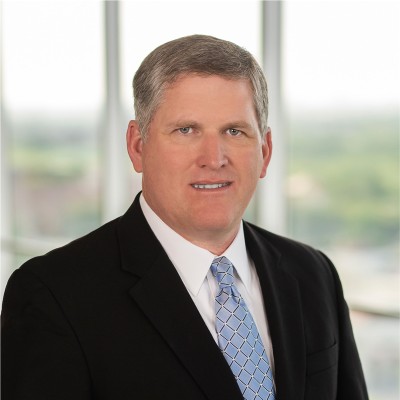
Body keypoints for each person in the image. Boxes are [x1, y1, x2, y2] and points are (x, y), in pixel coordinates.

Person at [1, 34, 368, 400]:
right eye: (186, 130)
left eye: (234, 131)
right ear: (138, 146)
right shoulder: (54, 296)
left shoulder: (313, 274)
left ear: (265, 151)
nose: (214, 158)